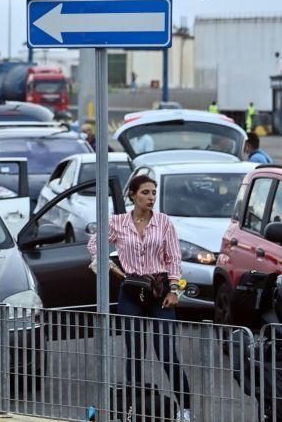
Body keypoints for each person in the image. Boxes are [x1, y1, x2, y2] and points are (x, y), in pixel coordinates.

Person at [89, 175, 193, 421]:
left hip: (160, 290)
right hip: (132, 290)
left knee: (167, 352)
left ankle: (185, 409)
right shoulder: (117, 223)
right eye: (145, 192)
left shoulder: (164, 223)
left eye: (154, 193)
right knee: (134, 352)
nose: (151, 197)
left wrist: (174, 290)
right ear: (133, 195)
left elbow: (173, 259)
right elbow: (94, 245)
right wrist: (113, 268)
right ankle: (131, 409)